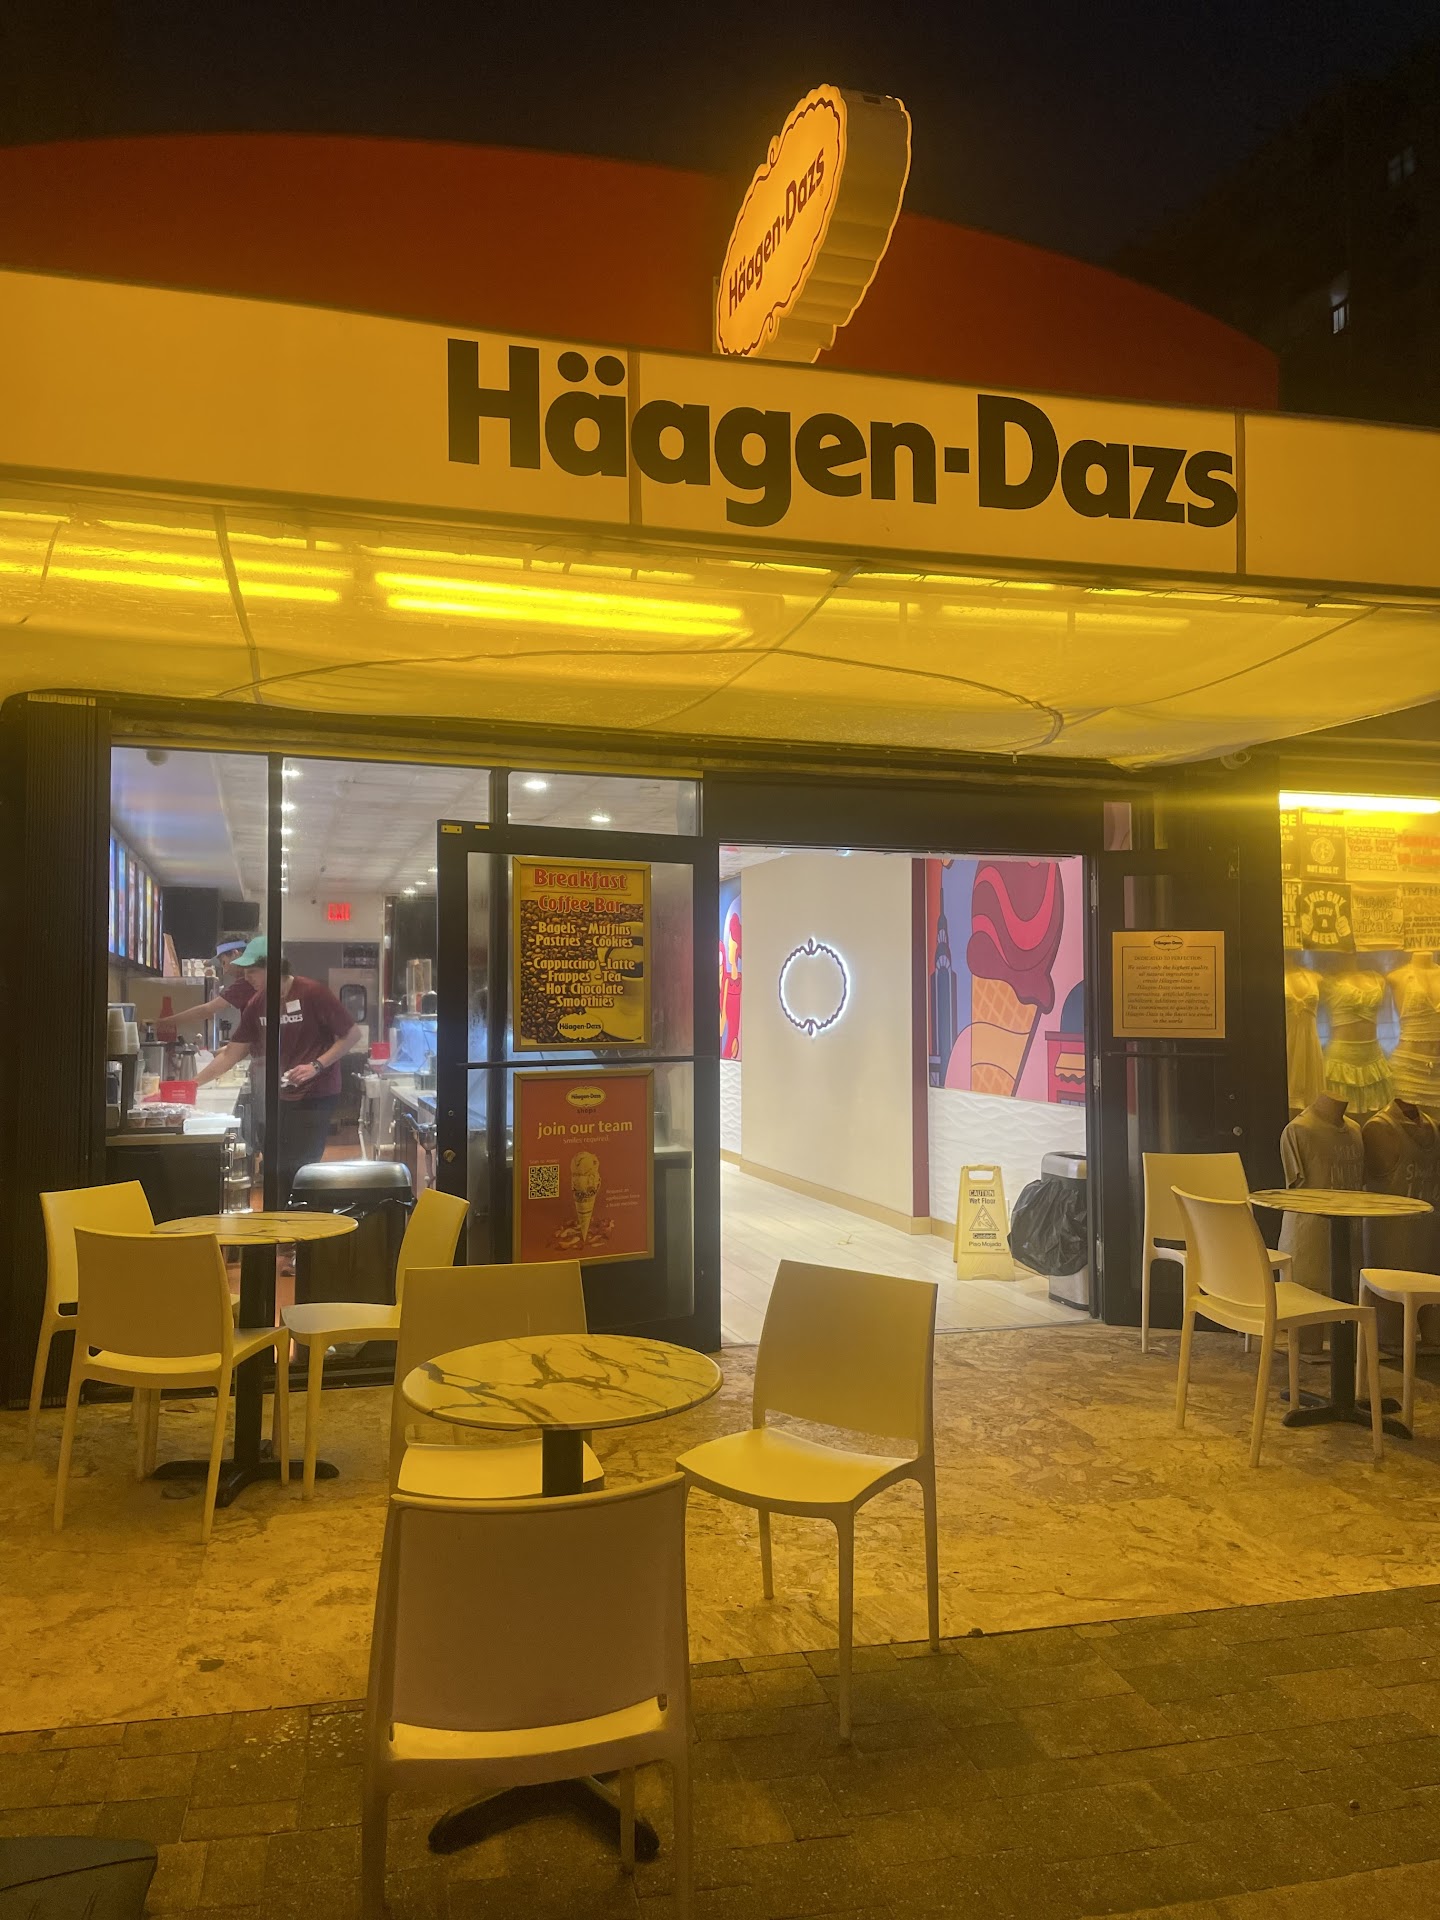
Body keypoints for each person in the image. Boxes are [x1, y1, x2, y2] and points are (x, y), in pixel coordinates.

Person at [195, 936, 357, 1203]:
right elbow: (233, 1053)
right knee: (277, 1165)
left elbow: (351, 1035)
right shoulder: (257, 1003)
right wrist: (192, 1085)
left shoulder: (312, 993)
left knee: (301, 1167)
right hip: (280, 1095)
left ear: (273, 968)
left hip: (316, 1093)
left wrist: (316, 1065)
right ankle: (281, 1220)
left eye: (252, 971)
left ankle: (303, 1221)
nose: (247, 978)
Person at [167, 940, 257, 1035]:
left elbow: (206, 1010)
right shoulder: (247, 982)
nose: (225, 971)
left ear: (235, 953)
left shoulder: (247, 982)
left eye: (223, 962)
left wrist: (165, 1022)